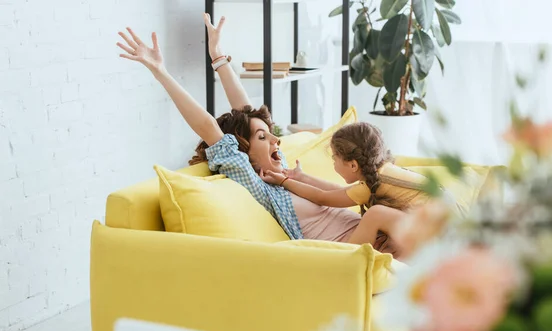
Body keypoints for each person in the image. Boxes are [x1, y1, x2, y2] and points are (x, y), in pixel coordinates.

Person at [116, 16, 402, 258]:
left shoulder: (280, 169)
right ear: (244, 151)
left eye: (271, 136)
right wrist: (160, 72)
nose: (276, 141)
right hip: (351, 252)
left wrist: (218, 57)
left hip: (375, 235)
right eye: (264, 138)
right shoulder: (258, 183)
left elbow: (247, 112)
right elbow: (209, 127)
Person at [260, 122, 454, 248]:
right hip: (438, 230)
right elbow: (339, 192)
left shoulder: (372, 184)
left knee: (375, 214)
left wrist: (284, 182)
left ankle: (349, 261)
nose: (334, 164)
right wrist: (302, 178)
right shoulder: (380, 172)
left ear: (353, 165)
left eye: (335, 159)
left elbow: (322, 197)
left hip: (439, 235)